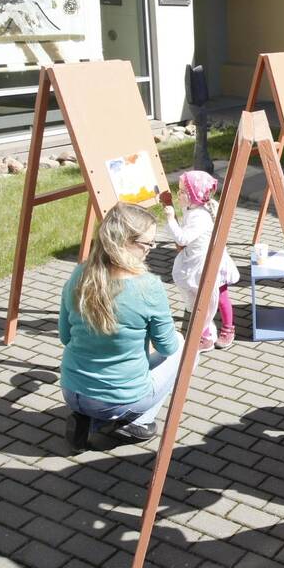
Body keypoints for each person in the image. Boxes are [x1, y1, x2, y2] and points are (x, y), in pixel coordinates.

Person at [59, 203, 183, 451]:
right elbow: (167, 346)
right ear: (125, 242)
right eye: (147, 244)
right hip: (115, 399)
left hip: (71, 390)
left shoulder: (79, 274)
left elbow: (64, 336)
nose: (151, 249)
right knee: (182, 345)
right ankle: (137, 421)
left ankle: (88, 422)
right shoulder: (148, 287)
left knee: (119, 370)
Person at [163, 171, 240, 349]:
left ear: (194, 196)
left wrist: (169, 219)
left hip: (210, 263)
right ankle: (205, 335)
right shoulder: (192, 207)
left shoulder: (200, 216)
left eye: (182, 191)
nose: (178, 194)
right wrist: (167, 203)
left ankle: (228, 329)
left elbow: (182, 239)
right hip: (198, 261)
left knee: (220, 296)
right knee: (200, 297)